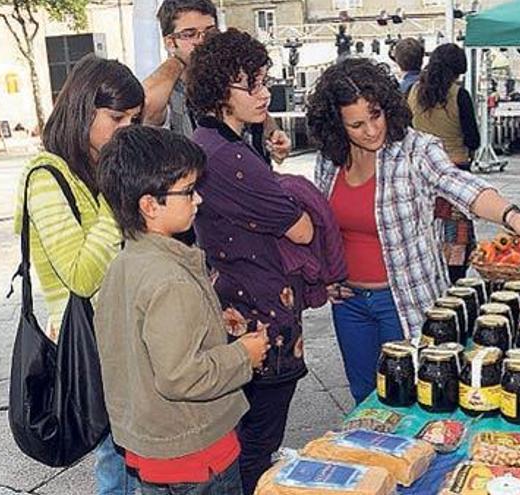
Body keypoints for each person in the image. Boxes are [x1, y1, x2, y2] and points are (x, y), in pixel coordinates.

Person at [306, 58, 520, 404]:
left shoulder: (415, 149)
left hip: (404, 300)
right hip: (349, 304)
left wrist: (514, 216)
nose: (371, 130)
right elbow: (323, 224)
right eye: (356, 124)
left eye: (376, 115)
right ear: (337, 125)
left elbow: (463, 187)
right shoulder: (329, 159)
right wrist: (324, 274)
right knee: (363, 399)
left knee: (411, 396)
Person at [94, 125, 269, 495]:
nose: (199, 200)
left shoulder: (125, 263)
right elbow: (181, 376)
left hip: (155, 445)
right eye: (188, 192)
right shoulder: (168, 279)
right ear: (149, 205)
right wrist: (243, 355)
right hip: (196, 452)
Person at [186, 29, 315, 495]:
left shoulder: (214, 142)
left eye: (264, 81)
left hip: (236, 305)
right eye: (251, 85)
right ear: (222, 91)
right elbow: (301, 229)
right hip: (263, 318)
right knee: (256, 446)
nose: (264, 94)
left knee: (245, 441)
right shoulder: (229, 157)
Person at [12, 55, 142, 494]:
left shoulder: (93, 165)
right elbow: (82, 275)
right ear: (84, 108)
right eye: (117, 117)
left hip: (122, 333)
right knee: (114, 458)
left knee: (132, 454)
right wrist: (114, 192)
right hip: (88, 342)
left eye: (133, 119)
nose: (126, 128)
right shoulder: (47, 177)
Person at [142, 0, 290, 158]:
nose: (202, 41)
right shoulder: (169, 91)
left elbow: (260, 116)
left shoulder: (229, 75)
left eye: (210, 32)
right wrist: (176, 61)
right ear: (170, 42)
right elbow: (147, 104)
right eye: (189, 34)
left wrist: (274, 134)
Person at [407, 43, 480, 283]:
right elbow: (473, 139)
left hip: (420, 176)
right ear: (459, 69)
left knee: (426, 234)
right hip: (454, 175)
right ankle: (454, 290)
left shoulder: (414, 92)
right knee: (457, 243)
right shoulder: (459, 95)